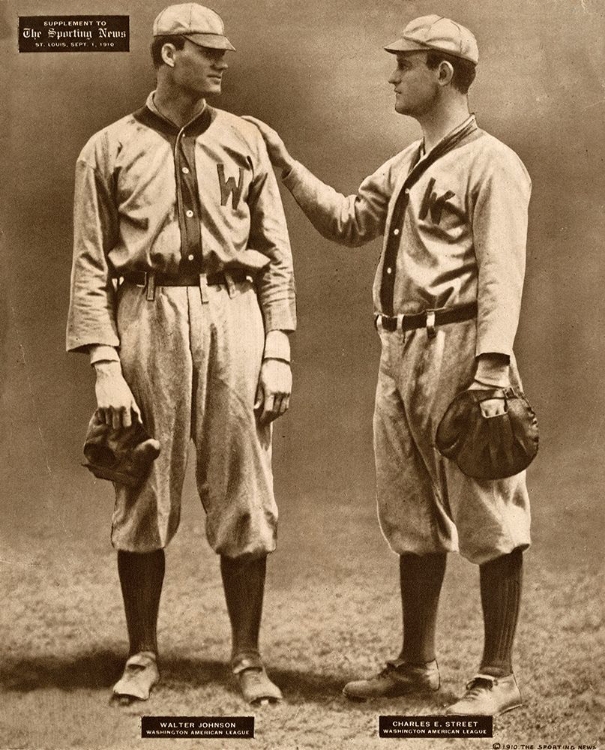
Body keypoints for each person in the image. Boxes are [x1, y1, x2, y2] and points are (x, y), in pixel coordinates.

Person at [245, 14, 531, 716]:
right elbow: (347, 221)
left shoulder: (489, 160)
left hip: (463, 345)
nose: (392, 75)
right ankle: (415, 665)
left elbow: (501, 270)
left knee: (487, 506)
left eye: (405, 64)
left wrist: (491, 366)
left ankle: (498, 673)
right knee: (409, 510)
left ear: (442, 71)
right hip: (397, 349)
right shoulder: (406, 163)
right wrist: (283, 163)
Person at [66, 3, 296, 706]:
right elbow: (86, 265)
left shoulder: (245, 139)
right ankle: (141, 654)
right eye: (206, 50)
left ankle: (248, 659)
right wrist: (105, 363)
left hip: (234, 311)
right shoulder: (105, 147)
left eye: (223, 50)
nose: (222, 61)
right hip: (148, 310)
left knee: (245, 488)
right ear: (169, 55)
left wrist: (279, 344)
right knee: (141, 485)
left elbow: (277, 252)